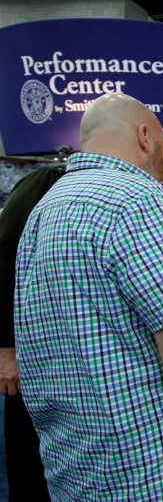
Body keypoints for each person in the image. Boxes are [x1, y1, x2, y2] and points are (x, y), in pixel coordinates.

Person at [14, 93, 163, 500]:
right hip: (158, 476)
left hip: (76, 470)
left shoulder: (43, 210)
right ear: (145, 136)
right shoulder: (139, 202)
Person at [0, 163, 65, 501]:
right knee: (28, 458)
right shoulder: (46, 182)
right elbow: (4, 254)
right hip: (27, 355)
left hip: (55, 356)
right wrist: (6, 347)